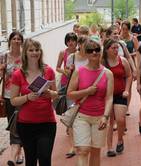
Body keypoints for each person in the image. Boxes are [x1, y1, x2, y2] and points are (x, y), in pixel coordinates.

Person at [10, 38, 58, 166]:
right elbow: (13, 100)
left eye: (37, 50)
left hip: (47, 123)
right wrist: (27, 97)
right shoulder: (17, 74)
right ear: (25, 52)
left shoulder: (48, 71)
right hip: (26, 125)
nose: (34, 52)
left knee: (45, 158)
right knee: (30, 160)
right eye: (31, 50)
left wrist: (50, 94)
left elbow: (56, 94)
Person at [67, 39, 113, 166]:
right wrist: (86, 91)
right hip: (81, 116)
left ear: (101, 51)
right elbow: (69, 94)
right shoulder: (79, 71)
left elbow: (109, 98)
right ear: (85, 53)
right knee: (83, 150)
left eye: (97, 50)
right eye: (90, 50)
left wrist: (105, 116)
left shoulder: (108, 74)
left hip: (99, 117)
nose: (94, 52)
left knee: (95, 151)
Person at [102, 39, 132, 157]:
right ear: (107, 50)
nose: (116, 50)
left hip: (120, 94)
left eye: (117, 48)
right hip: (107, 95)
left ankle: (120, 139)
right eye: (113, 48)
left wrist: (126, 90)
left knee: (120, 119)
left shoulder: (123, 61)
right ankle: (109, 147)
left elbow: (129, 76)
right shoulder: (102, 62)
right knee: (109, 122)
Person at [0, 31, 24, 166]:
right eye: (14, 38)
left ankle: (18, 152)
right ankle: (17, 154)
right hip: (9, 96)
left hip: (23, 96)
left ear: (21, 41)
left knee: (22, 123)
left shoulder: (25, 57)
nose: (16, 41)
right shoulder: (3, 57)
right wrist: (1, 69)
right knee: (13, 123)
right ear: (10, 41)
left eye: (18, 39)